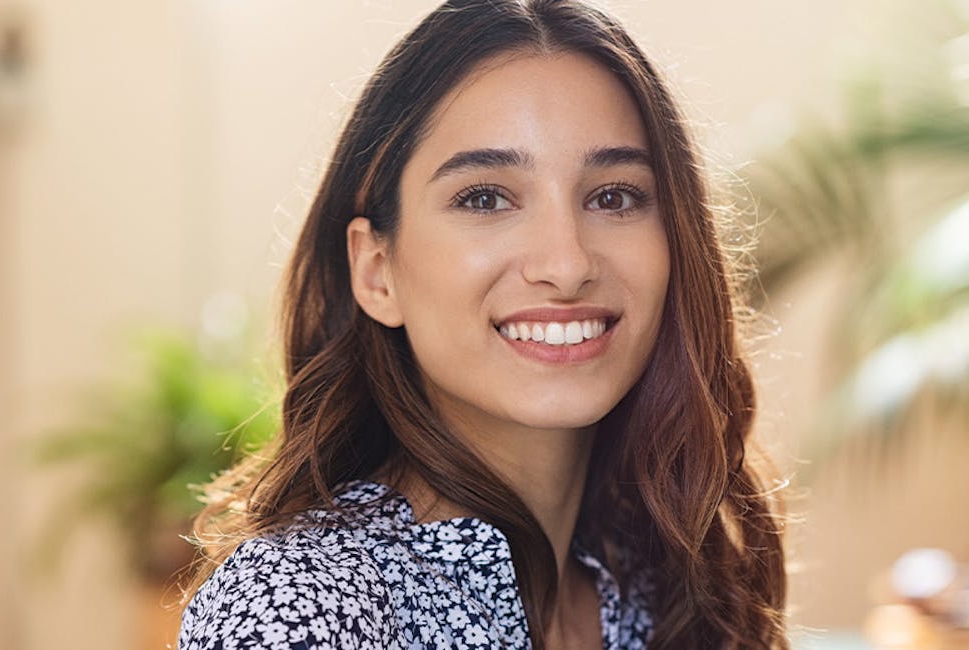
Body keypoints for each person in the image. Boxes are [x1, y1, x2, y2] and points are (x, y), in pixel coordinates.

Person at [176, 1, 789, 648]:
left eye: (614, 196)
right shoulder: (302, 604)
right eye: (485, 198)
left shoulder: (671, 586)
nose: (567, 263)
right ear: (377, 271)